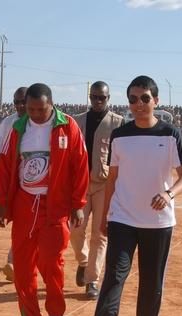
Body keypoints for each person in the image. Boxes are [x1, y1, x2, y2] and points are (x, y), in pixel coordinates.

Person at [89, 76, 182, 316]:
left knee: (151, 279)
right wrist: (105, 215)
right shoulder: (120, 135)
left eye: (144, 98)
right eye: (133, 99)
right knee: (114, 277)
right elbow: (113, 178)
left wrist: (169, 194)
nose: (138, 104)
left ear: (156, 101)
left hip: (158, 222)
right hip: (122, 218)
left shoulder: (172, 134)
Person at [0, 83, 89, 316]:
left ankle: (55, 312)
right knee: (23, 266)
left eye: (40, 109)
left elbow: (80, 165)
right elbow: (4, 166)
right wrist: (2, 203)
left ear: (51, 104)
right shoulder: (18, 128)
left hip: (55, 205)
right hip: (24, 204)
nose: (34, 114)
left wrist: (78, 204)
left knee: (51, 262)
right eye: (30, 108)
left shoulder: (67, 126)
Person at [70, 81, 123, 300]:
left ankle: (92, 280)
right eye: (94, 97)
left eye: (102, 97)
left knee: (100, 234)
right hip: (80, 184)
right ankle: (83, 262)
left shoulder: (119, 124)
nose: (98, 101)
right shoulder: (77, 122)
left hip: (104, 184)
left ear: (109, 98)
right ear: (89, 97)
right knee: (75, 230)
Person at [0, 87, 28, 282]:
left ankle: (14, 261)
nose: (20, 106)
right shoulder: (9, 121)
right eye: (16, 102)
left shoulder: (45, 123)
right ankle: (16, 261)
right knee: (19, 220)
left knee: (25, 221)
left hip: (36, 183)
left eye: (23, 101)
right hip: (13, 179)